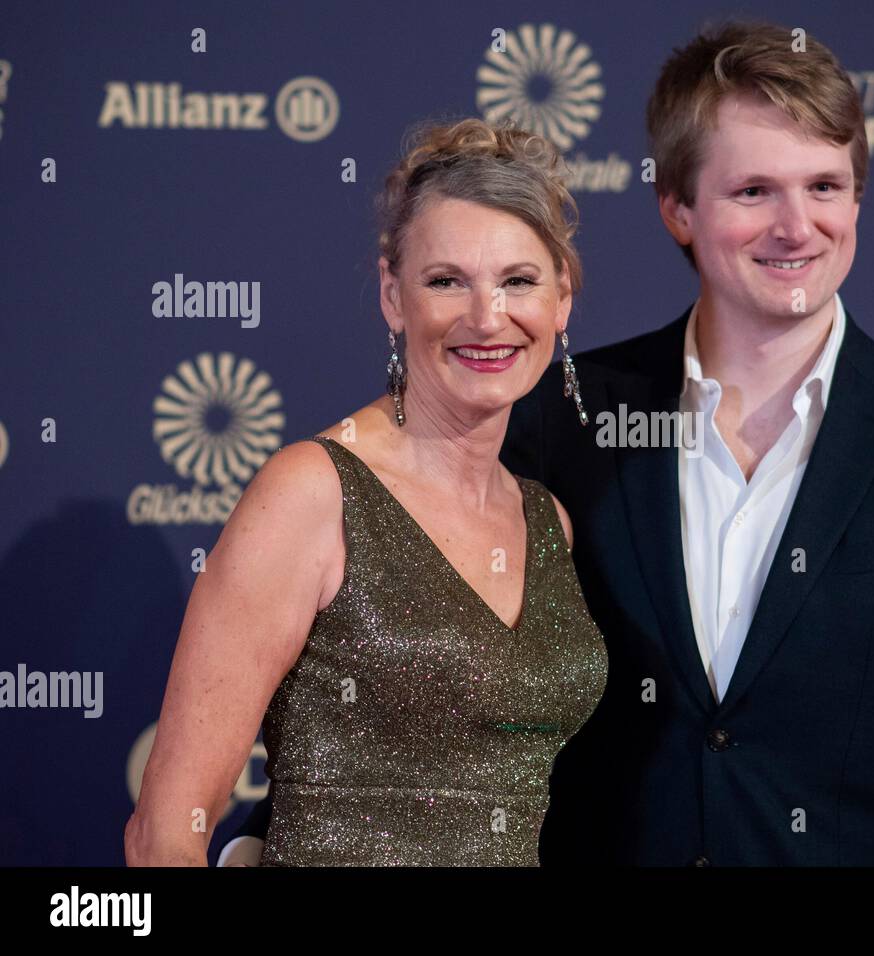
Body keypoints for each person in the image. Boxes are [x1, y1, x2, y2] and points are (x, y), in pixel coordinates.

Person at [227, 20, 874, 866]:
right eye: (753, 192)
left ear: (856, 200)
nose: (797, 226)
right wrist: (265, 846)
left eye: (824, 186)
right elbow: (416, 698)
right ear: (676, 207)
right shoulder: (558, 419)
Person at [125, 118, 607, 866]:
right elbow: (165, 830)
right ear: (393, 295)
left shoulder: (548, 523)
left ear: (561, 300)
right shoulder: (312, 493)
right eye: (446, 281)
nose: (488, 317)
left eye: (519, 281)